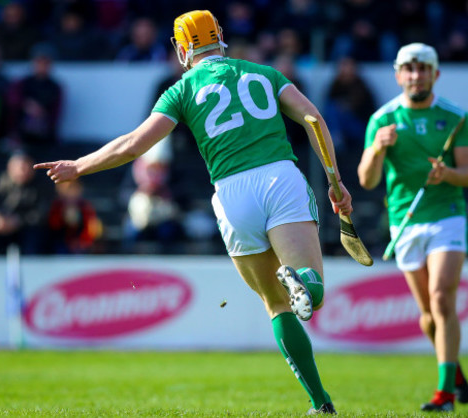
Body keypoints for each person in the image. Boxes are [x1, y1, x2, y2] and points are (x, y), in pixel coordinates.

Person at [35, 9, 353, 415]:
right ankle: (304, 278)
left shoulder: (179, 91)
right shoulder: (263, 72)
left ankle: (320, 403)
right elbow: (312, 118)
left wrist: (79, 166)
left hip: (232, 194)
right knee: (313, 294)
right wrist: (334, 180)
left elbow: (133, 145)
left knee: (276, 305)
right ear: (220, 37)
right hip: (280, 178)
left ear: (183, 48)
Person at [357, 43, 468, 412]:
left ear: (435, 74)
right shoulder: (382, 119)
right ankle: (452, 369)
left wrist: (447, 174)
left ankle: (444, 394)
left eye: (423, 68)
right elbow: (366, 180)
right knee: (427, 316)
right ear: (398, 75)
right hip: (403, 221)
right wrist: (377, 149)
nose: (415, 75)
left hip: (447, 215)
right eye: (408, 68)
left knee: (442, 299)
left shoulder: (456, 117)